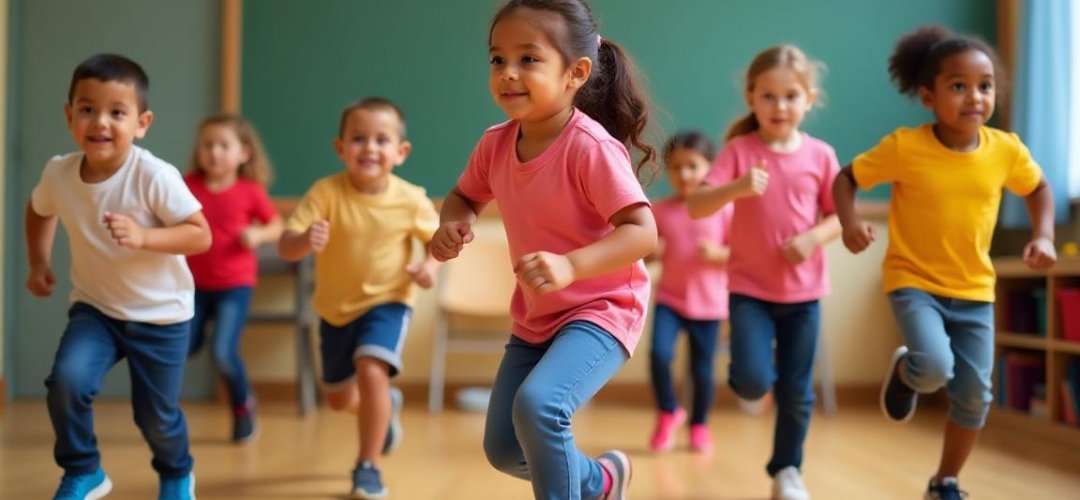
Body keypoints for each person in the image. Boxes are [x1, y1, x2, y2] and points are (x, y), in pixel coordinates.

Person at [431, 1, 658, 498]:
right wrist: (453, 223)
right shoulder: (494, 144)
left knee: (539, 407)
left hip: (603, 309)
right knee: (505, 449)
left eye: (528, 59)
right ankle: (599, 480)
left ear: (576, 72)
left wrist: (570, 265)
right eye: (497, 59)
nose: (508, 73)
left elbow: (642, 231)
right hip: (537, 316)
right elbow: (464, 196)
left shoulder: (590, 147)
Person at [832, 25, 1056, 500]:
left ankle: (945, 481)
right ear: (929, 96)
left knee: (975, 395)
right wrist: (850, 224)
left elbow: (1038, 189)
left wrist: (1044, 235)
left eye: (985, 85)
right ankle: (908, 371)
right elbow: (847, 178)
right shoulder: (905, 147)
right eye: (959, 86)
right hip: (913, 281)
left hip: (975, 289)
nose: (974, 96)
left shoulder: (1006, 151)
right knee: (934, 368)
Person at [26, 53, 210, 500]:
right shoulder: (59, 173)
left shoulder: (154, 175)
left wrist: (145, 238)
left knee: (155, 416)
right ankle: (84, 469)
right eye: (87, 109)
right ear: (69, 115)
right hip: (97, 309)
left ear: (142, 122)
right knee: (67, 382)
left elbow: (200, 235)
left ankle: (176, 471)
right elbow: (38, 209)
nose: (100, 122)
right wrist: (38, 261)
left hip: (162, 316)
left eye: (117, 112)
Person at [687, 45, 841, 500]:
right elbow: (698, 204)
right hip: (750, 290)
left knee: (796, 390)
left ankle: (787, 471)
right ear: (752, 98)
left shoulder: (821, 155)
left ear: (808, 99)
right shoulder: (739, 151)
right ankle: (751, 382)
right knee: (754, 381)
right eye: (768, 96)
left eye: (791, 96)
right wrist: (736, 187)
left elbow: (838, 216)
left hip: (804, 293)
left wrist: (813, 238)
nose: (780, 106)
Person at [278, 97, 438, 499]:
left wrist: (429, 269)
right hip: (334, 310)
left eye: (382, 140)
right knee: (337, 399)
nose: (369, 148)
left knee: (371, 371)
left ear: (400, 153)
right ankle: (384, 406)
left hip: (388, 303)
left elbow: (437, 244)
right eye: (359, 138)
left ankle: (367, 465)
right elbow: (286, 246)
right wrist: (303, 241)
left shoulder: (411, 198)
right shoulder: (325, 193)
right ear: (340, 148)